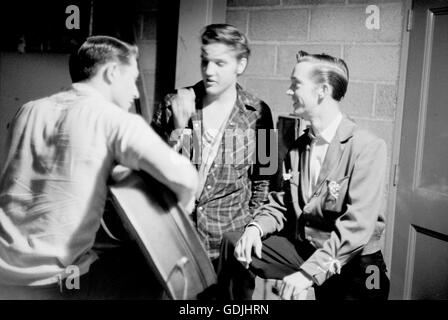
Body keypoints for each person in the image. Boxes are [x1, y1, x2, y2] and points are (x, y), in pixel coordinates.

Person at [0, 35, 198, 299]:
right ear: (113, 72)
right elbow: (185, 177)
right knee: (151, 268)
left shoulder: (27, 111)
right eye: (133, 79)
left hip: (6, 276)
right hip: (61, 282)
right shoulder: (115, 120)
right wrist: (183, 204)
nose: (136, 92)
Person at [213, 51, 390, 300]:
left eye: (295, 84)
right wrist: (255, 227)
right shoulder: (297, 148)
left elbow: (357, 227)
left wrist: (309, 275)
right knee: (235, 242)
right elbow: (280, 203)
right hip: (305, 248)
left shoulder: (367, 147)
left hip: (354, 260)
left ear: (322, 90)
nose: (288, 91)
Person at [152, 24, 274, 265]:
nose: (209, 71)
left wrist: (249, 229)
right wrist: (178, 127)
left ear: (241, 65)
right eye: (204, 61)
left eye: (220, 63)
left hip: (230, 246)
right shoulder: (172, 103)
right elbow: (151, 172)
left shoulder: (259, 113)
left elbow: (264, 178)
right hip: (178, 241)